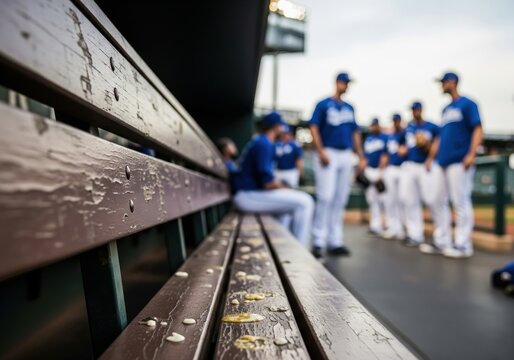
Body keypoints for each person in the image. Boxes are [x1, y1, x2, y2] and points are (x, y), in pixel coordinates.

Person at [421, 72, 483, 258]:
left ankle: (463, 245)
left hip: (459, 160)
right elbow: (440, 137)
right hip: (442, 161)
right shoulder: (446, 109)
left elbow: (478, 128)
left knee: (461, 202)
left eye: (443, 82)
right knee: (435, 200)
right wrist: (431, 157)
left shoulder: (468, 104)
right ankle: (442, 241)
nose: (441, 86)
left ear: (452, 82)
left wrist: (472, 154)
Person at [232, 112, 314, 246]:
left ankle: (283, 247)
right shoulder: (264, 143)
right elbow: (267, 184)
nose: (282, 128)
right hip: (246, 195)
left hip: (249, 193)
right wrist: (284, 187)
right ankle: (301, 250)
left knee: (288, 206)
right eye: (280, 125)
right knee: (305, 202)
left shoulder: (262, 141)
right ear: (275, 127)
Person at [309, 72, 367, 258]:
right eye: (344, 82)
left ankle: (335, 240)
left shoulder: (350, 107)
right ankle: (318, 240)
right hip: (329, 151)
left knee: (340, 198)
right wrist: (321, 150)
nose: (346, 85)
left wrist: (360, 156)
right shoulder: (323, 103)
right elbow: (314, 127)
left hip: (346, 154)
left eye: (348, 83)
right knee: (325, 196)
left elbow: (355, 132)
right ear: (336, 82)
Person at [399, 101, 449, 248]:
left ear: (421, 110)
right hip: (410, 165)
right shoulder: (409, 128)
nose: (415, 112)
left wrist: (429, 153)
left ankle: (442, 238)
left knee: (432, 200)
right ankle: (415, 235)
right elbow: (401, 144)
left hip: (425, 165)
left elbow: (439, 141)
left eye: (416, 109)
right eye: (413, 110)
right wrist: (402, 149)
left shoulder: (431, 126)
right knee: (409, 200)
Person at [382, 113, 407, 240]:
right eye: (394, 121)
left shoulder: (405, 133)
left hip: (402, 168)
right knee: (390, 199)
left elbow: (407, 150)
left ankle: (401, 228)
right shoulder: (390, 136)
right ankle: (393, 227)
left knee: (402, 199)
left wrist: (404, 149)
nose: (395, 123)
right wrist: (382, 171)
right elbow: (385, 154)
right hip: (391, 168)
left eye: (397, 121)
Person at [363, 118, 389, 234]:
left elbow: (385, 155)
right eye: (372, 125)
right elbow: (365, 157)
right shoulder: (368, 139)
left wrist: (381, 171)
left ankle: (388, 224)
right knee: (372, 199)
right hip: (369, 170)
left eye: (375, 125)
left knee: (384, 199)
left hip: (380, 170)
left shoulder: (384, 137)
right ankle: (375, 225)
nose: (374, 127)